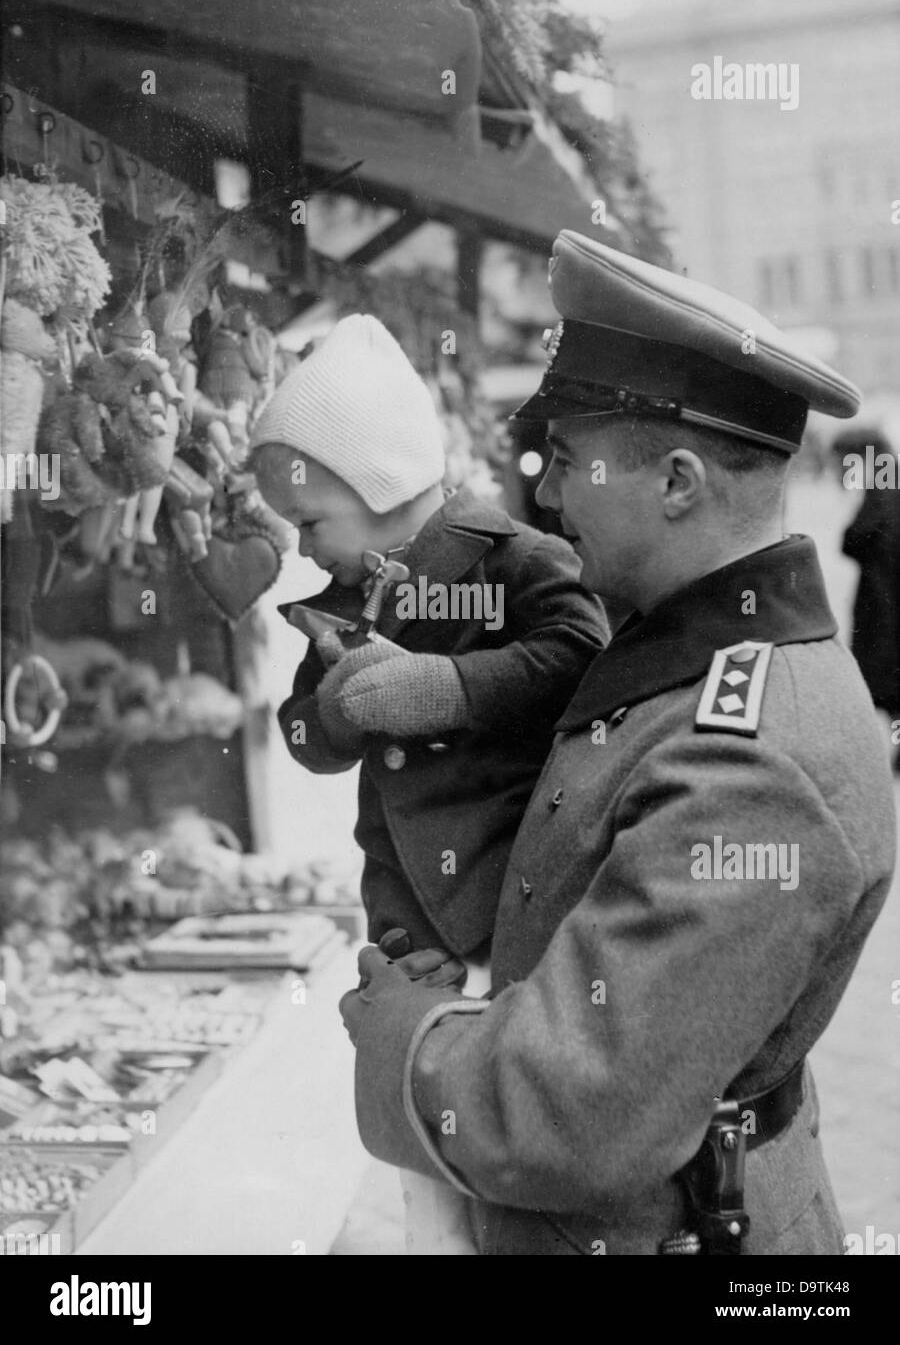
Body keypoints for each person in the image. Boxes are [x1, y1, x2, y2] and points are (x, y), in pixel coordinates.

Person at [339, 234, 897, 1256]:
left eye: (567, 460)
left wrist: (397, 1031)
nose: (546, 495)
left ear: (677, 480)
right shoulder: (683, 658)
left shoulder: (754, 757)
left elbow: (572, 1110)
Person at [250, 312, 609, 1249]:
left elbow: (584, 655)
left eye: (308, 521)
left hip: (513, 930)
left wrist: (449, 687)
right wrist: (330, 714)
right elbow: (300, 733)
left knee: (519, 1186)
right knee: (429, 1199)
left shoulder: (515, 558)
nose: (300, 549)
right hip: (410, 939)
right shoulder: (337, 599)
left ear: (377, 479)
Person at [841, 458, 900, 774]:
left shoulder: (885, 481)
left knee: (874, 688)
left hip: (881, 608)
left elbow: (853, 539)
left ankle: (871, 759)